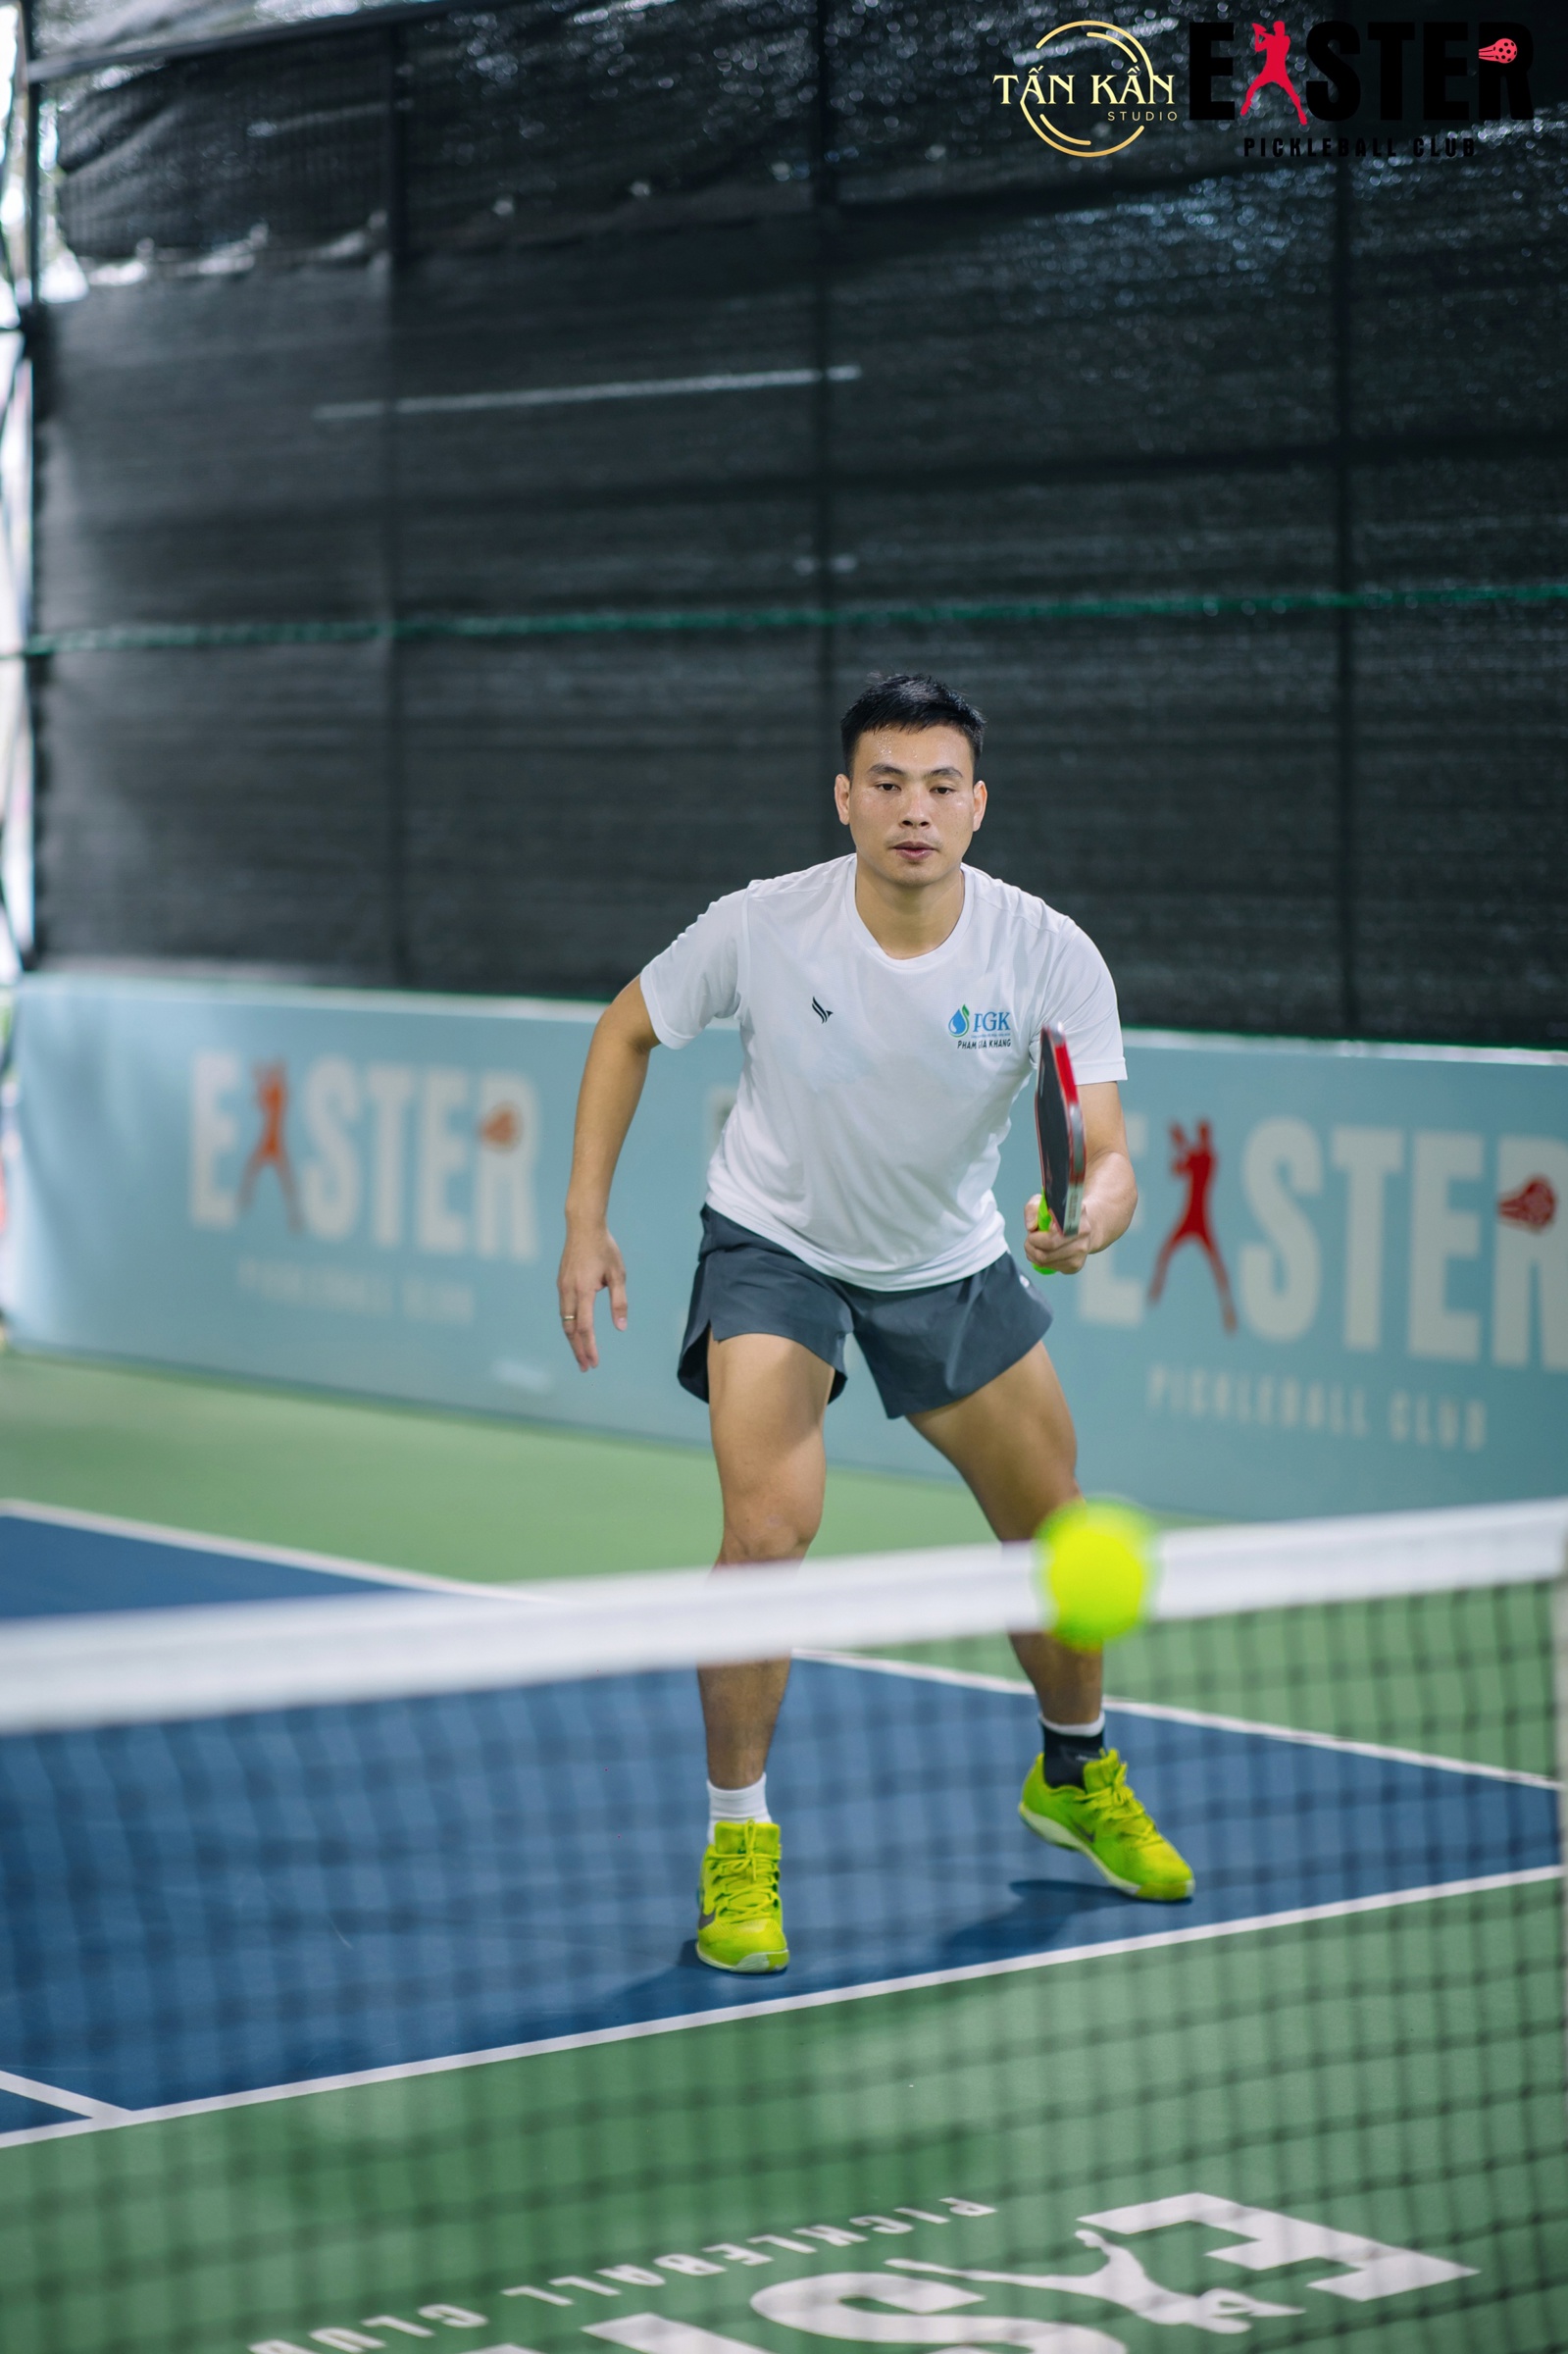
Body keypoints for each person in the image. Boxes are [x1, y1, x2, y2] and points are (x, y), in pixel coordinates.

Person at [557, 672, 1192, 1975]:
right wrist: (585, 1220)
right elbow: (626, 1031)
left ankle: (1074, 1772)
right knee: (766, 1533)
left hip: (946, 1259)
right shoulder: (763, 926)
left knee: (1056, 1540)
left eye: (941, 786)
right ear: (844, 799)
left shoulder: (1046, 952)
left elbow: (1111, 1153)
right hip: (776, 1244)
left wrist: (1096, 1216)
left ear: (978, 805)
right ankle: (739, 1841)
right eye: (888, 784)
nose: (915, 810)